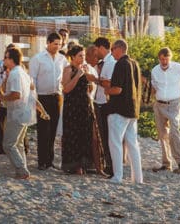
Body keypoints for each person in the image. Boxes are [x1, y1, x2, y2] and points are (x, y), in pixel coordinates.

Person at [150, 47, 180, 173]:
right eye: (162, 59)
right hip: (159, 104)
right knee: (162, 134)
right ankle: (166, 164)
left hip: (174, 103)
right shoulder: (155, 70)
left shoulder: (178, 68)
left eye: (166, 59)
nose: (164, 62)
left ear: (170, 58)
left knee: (174, 131)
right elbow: (154, 86)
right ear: (159, 59)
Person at [60, 45, 104, 175]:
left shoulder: (86, 68)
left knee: (91, 135)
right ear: (73, 57)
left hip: (85, 105)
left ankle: (94, 165)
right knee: (74, 135)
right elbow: (66, 89)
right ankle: (76, 165)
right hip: (72, 107)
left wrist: (90, 78)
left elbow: (92, 85)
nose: (83, 58)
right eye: (80, 56)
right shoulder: (68, 69)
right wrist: (78, 75)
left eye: (84, 55)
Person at [105, 39, 143, 184]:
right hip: (132, 109)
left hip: (119, 109)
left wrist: (107, 89)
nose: (111, 52)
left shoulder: (120, 64)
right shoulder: (135, 63)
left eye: (113, 49)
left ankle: (117, 176)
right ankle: (138, 178)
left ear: (119, 49)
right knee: (133, 144)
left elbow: (117, 89)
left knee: (115, 143)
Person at [28, 32, 67, 170]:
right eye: (55, 44)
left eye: (60, 44)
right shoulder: (37, 59)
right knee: (43, 129)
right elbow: (32, 79)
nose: (57, 46)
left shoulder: (62, 59)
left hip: (56, 97)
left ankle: (50, 161)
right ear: (48, 43)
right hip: (42, 97)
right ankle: (42, 161)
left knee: (53, 130)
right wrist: (35, 99)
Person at [0, 46, 34, 179]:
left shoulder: (16, 74)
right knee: (19, 144)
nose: (4, 60)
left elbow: (17, 94)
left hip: (17, 113)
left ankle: (22, 170)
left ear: (12, 59)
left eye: (6, 57)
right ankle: (22, 170)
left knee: (8, 144)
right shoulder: (20, 72)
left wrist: (2, 97)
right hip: (24, 112)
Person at [93, 36, 115, 176]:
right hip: (100, 101)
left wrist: (95, 79)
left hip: (105, 103)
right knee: (104, 136)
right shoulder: (104, 62)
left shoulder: (110, 63)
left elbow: (108, 82)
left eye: (96, 49)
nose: (95, 53)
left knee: (107, 136)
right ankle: (109, 164)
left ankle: (111, 166)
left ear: (101, 47)